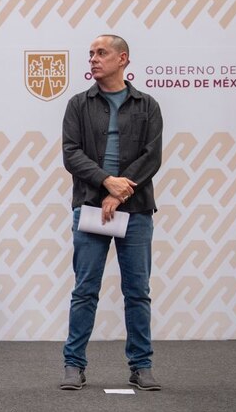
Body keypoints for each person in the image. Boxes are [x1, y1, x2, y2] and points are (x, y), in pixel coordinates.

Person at [59, 34, 163, 391]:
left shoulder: (147, 105)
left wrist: (119, 193)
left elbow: (152, 156)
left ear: (123, 59)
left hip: (135, 210)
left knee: (138, 291)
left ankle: (141, 366)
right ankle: (73, 365)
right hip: (90, 207)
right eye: (90, 54)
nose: (93, 59)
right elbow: (71, 154)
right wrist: (106, 182)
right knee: (85, 290)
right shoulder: (77, 105)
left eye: (101, 53)